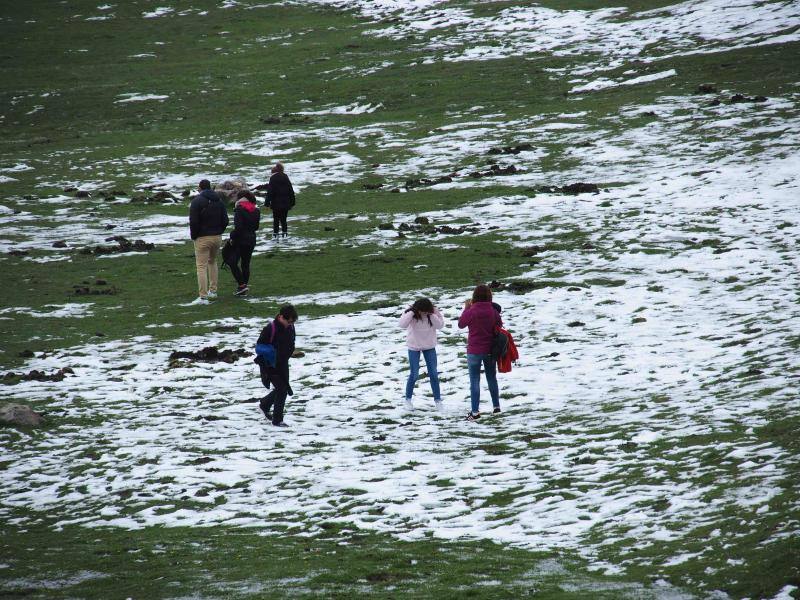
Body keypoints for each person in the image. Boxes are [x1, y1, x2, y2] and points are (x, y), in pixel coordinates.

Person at [458, 284, 503, 421]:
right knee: (491, 378)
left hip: (474, 350)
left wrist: (466, 309)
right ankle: (496, 407)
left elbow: (461, 324)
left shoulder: (471, 311)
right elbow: (499, 325)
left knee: (475, 380)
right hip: (490, 349)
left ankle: (475, 411)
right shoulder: (492, 311)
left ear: (474, 296)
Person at [256, 304, 298, 428]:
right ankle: (277, 420)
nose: (289, 324)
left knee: (283, 388)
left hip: (283, 362)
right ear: (281, 317)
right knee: (282, 389)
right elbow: (259, 347)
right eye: (288, 321)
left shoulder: (291, 327)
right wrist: (272, 353)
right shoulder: (270, 328)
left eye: (292, 322)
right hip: (269, 364)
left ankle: (264, 404)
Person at [398, 298, 444, 411]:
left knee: (433, 373)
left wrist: (432, 314)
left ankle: (438, 401)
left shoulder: (433, 313)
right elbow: (402, 324)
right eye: (421, 311)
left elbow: (440, 325)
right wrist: (412, 312)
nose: (423, 313)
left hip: (429, 346)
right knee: (414, 374)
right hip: (414, 347)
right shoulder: (410, 313)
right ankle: (407, 400)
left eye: (425, 311)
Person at [189, 179, 229, 304]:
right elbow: (225, 220)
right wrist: (219, 231)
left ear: (200, 188)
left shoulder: (197, 201)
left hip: (202, 238)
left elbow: (193, 221)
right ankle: (213, 291)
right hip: (217, 237)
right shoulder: (219, 201)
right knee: (212, 262)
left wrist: (194, 236)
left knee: (201, 266)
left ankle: (203, 296)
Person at [228, 190, 261, 296]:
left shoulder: (239, 209)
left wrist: (232, 235)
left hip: (240, 240)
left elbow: (238, 227)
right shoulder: (256, 210)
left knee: (232, 262)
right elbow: (256, 227)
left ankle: (242, 286)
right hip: (251, 239)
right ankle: (243, 287)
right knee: (245, 264)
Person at [264, 162, 295, 239]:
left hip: (276, 203)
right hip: (285, 202)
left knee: (276, 219)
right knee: (284, 219)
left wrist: (267, 203)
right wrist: (292, 202)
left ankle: (275, 234)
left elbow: (270, 192)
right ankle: (285, 233)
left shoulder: (273, 179)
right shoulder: (285, 177)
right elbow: (290, 190)